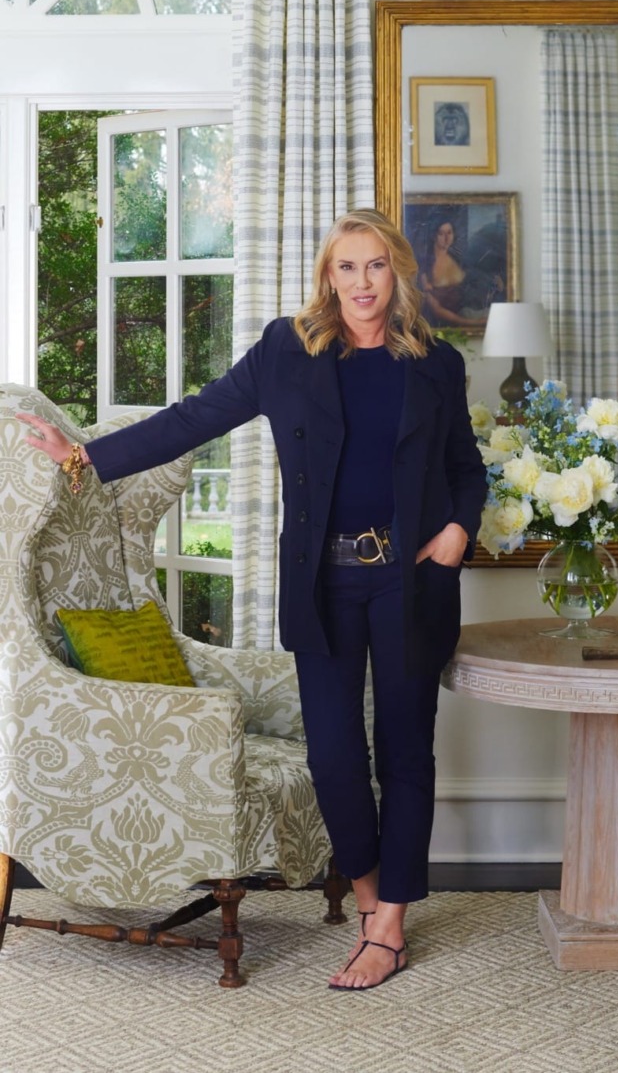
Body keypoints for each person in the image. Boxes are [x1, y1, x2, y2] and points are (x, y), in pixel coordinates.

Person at [17, 208, 487, 992]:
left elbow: (466, 466)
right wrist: (86, 456)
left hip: (410, 580)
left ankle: (391, 926)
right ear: (327, 274)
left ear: (396, 272)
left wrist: (456, 533)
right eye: (347, 267)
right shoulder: (285, 351)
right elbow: (194, 418)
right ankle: (370, 899)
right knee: (335, 756)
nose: (362, 283)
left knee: (407, 751)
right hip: (324, 581)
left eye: (375, 266)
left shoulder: (435, 363)